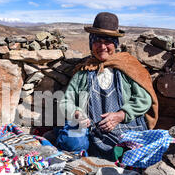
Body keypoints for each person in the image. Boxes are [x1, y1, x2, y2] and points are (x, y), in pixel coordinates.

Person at [57, 12, 159, 161]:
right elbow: (66, 101)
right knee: (72, 141)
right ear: (91, 43)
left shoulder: (128, 67)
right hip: (89, 129)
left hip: (124, 126)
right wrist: (77, 114)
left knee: (133, 150)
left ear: (115, 44)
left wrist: (120, 115)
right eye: (97, 41)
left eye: (108, 41)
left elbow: (143, 99)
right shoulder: (84, 71)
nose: (102, 46)